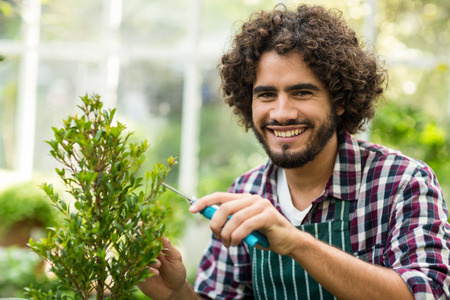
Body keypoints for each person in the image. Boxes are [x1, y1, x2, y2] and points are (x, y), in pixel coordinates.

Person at [139, 4, 450, 299]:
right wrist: (176, 294)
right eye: (266, 95)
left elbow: (427, 293)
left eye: (301, 93)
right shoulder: (246, 191)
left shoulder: (402, 182)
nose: (282, 113)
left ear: (339, 101)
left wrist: (297, 242)